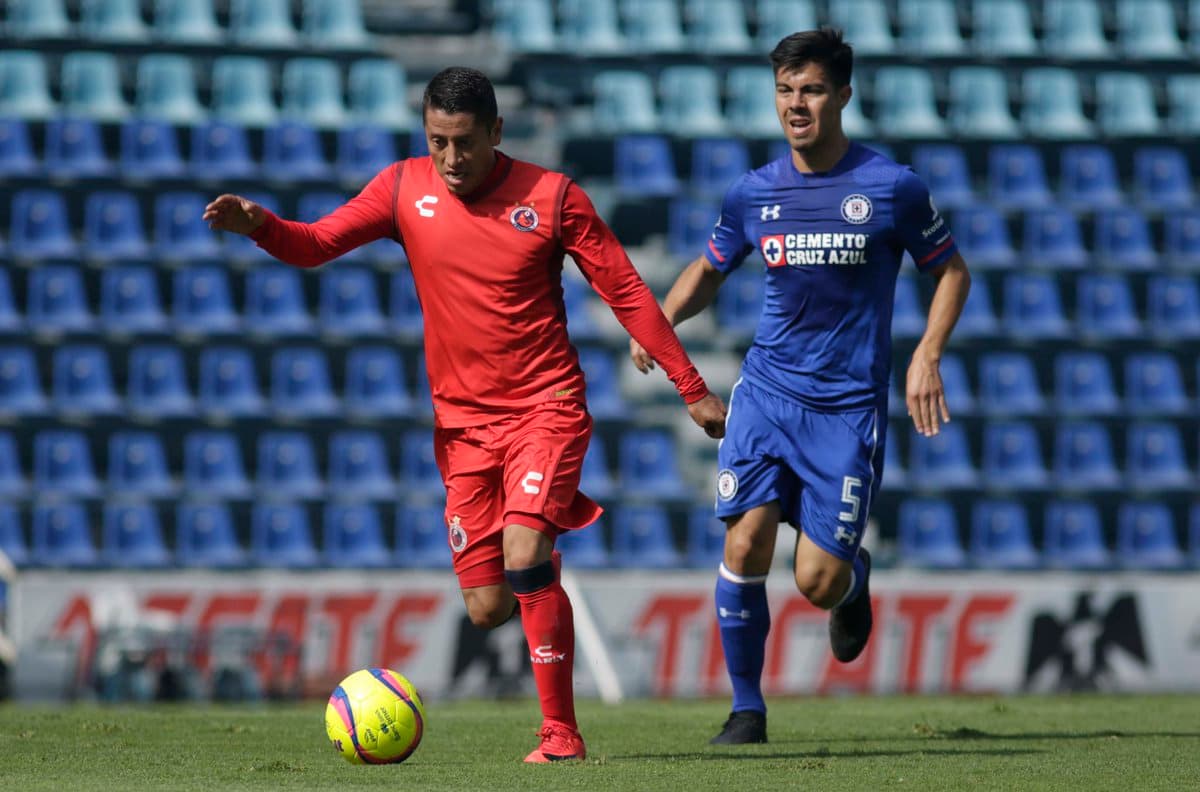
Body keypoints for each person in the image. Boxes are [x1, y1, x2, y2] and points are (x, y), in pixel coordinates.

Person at [205, 66, 727, 762]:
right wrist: (260, 226)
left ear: (496, 133)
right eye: (438, 141)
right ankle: (541, 586)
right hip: (462, 431)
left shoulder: (551, 197)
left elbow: (626, 290)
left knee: (524, 552)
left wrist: (689, 386)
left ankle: (560, 733)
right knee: (487, 605)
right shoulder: (401, 187)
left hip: (546, 407)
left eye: (466, 143)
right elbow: (316, 242)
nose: (451, 159)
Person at [630, 28, 971, 745]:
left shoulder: (891, 188)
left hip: (844, 411)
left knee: (817, 580)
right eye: (785, 90)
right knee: (745, 542)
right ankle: (746, 711)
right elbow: (709, 267)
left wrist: (928, 352)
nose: (797, 104)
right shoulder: (754, 192)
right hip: (766, 395)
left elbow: (951, 270)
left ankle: (853, 581)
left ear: (843, 95)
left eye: (812, 89)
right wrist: (658, 320)